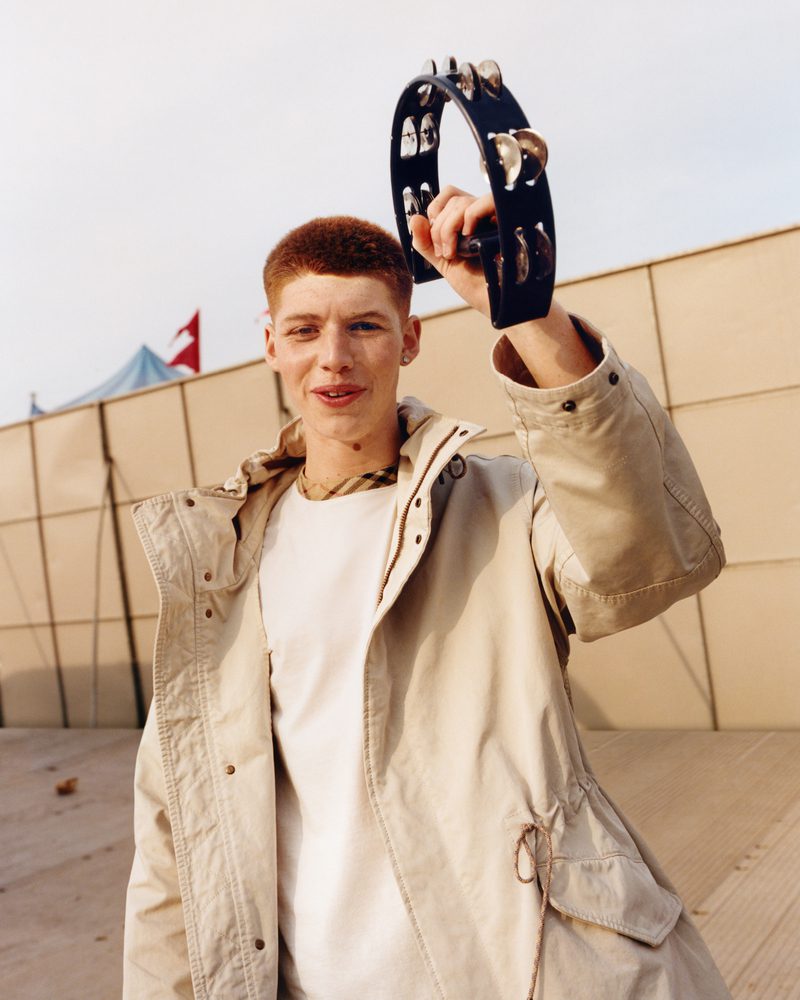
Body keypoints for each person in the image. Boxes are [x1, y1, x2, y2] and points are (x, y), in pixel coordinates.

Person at [123, 186, 732, 999]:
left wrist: (526, 310)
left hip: (524, 973)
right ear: (270, 344)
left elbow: (650, 558)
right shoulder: (217, 567)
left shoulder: (505, 506)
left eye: (364, 326)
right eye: (304, 330)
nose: (333, 357)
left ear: (409, 338)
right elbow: (175, 839)